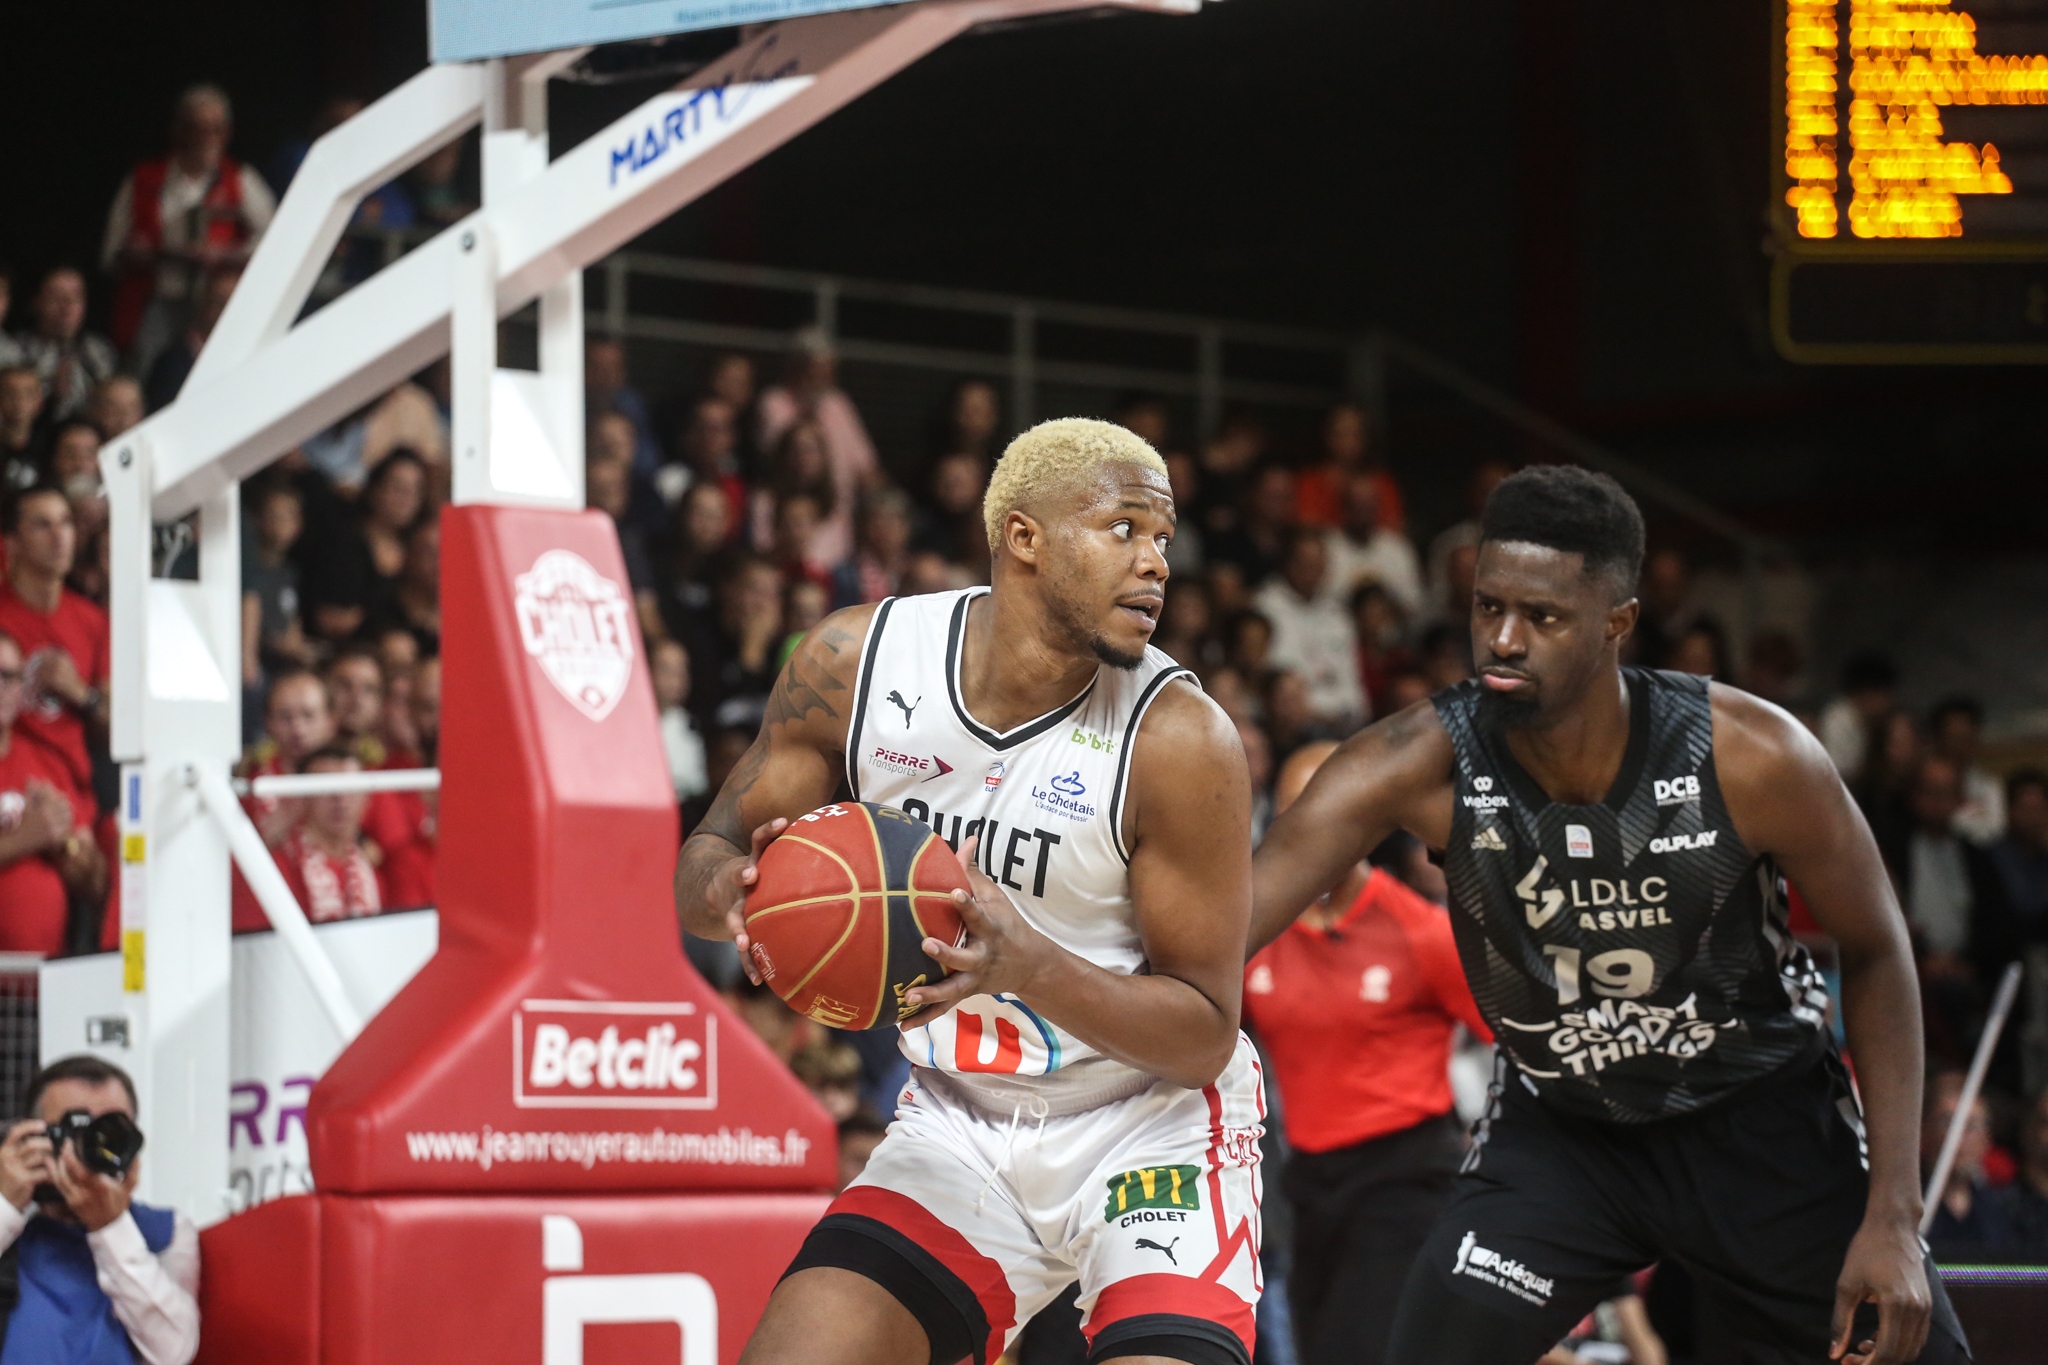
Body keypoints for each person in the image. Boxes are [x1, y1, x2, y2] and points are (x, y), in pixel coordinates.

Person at [1249, 465, 1967, 1365]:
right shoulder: (1417, 761)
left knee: (1918, 1351)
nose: (1503, 641)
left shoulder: (1752, 755)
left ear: (1616, 622)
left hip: (1758, 1119)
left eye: (1541, 617)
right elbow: (1227, 924)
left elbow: (1877, 947)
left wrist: (1894, 1217)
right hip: (1566, 1127)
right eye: (1487, 608)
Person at [677, 417, 1263, 1365]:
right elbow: (706, 852)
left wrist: (1030, 965)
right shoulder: (855, 664)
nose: (1156, 563)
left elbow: (1203, 1031)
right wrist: (737, 894)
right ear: (1024, 536)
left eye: (1163, 538)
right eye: (1123, 529)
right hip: (961, 1118)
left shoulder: (1181, 739)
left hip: (1147, 1129)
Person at [1244, 741, 1491, 1365]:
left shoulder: (1420, 929)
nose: (1314, 828)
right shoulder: (1256, 930)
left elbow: (1517, 1040)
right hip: (1308, 1185)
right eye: (1297, 811)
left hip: (1407, 1177)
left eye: (1332, 807)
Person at [0, 1056, 198, 1364]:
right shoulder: (12, 1229)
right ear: (35, 1138)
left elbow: (174, 1353)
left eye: (110, 1131)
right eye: (75, 1128)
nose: (92, 1145)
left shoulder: (166, 1233)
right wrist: (5, 1204)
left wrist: (111, 1225)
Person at [102, 84, 275, 375]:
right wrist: (140, 253)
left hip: (217, 307)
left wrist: (225, 254)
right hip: (156, 299)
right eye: (195, 127)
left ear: (226, 133)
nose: (204, 138)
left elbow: (277, 242)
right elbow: (111, 252)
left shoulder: (241, 180)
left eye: (214, 129)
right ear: (178, 130)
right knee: (142, 372)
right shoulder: (144, 179)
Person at [0, 486, 110, 805]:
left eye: (66, 523)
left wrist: (79, 692)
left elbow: (120, 727)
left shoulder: (92, 620)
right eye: (42, 525)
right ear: (12, 543)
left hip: (77, 792)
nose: (59, 536)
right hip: (13, 791)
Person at [0, 630, 104, 956]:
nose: (2, 686)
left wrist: (66, 848)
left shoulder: (47, 763)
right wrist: (22, 839)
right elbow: (31, 835)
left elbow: (96, 884)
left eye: (11, 677)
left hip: (42, 985)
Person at [1254, 530, 1366, 730]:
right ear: (1288, 563)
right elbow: (1275, 682)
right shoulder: (1265, 607)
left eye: (1319, 564)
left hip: (1342, 723)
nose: (1312, 571)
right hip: (1287, 725)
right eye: (1305, 563)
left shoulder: (1338, 613)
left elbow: (1353, 688)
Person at [275, 746, 382, 921]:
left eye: (350, 787)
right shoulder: (276, 867)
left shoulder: (372, 868)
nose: (340, 798)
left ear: (367, 798)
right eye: (326, 787)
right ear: (302, 798)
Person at [15, 268, 119, 423]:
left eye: (76, 297)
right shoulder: (17, 350)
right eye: (56, 297)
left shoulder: (99, 350)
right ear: (36, 301)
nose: (67, 306)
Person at [1926, 697, 2003, 845]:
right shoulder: (1923, 782)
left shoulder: (1989, 786)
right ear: (1938, 739)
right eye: (1954, 739)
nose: (1960, 747)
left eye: (1966, 738)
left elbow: (1995, 833)